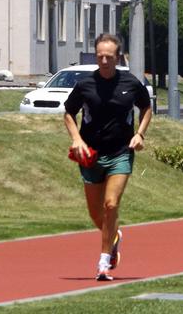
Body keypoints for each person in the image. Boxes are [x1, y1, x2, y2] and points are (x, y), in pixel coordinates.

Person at [63, 33, 152, 281]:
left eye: (109, 57)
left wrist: (140, 134)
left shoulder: (130, 83)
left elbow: (146, 108)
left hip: (120, 152)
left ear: (118, 57)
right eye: (100, 56)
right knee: (95, 214)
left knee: (110, 204)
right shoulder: (85, 85)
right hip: (90, 154)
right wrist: (76, 139)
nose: (103, 61)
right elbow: (69, 113)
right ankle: (113, 236)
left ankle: (103, 263)